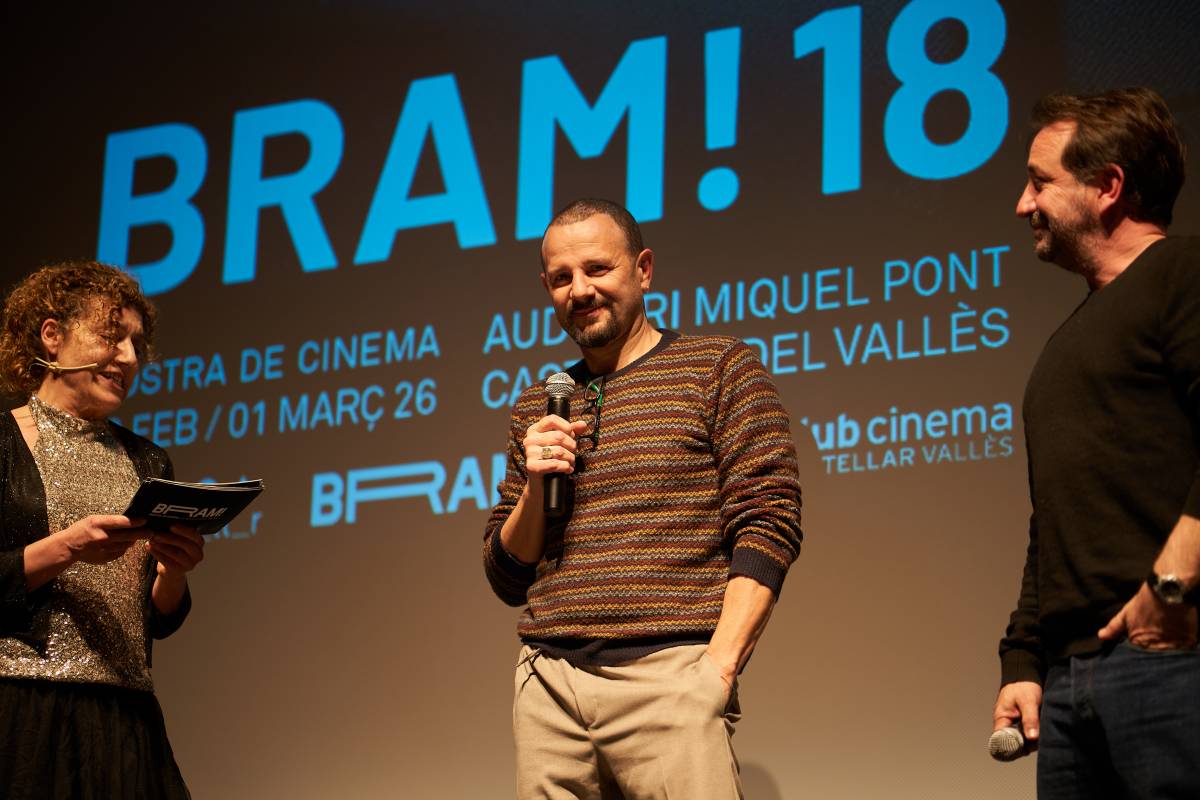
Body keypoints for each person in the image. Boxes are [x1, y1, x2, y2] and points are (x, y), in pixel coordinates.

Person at [483, 198, 804, 799]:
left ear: (643, 269)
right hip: (549, 687)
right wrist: (534, 482)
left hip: (671, 675)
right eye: (561, 278)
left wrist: (716, 672)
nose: (580, 290)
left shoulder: (718, 368)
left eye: (597, 269)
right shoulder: (538, 406)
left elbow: (769, 521)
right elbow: (505, 576)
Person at [994, 88, 1199, 798]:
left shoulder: (1184, 276)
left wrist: (1174, 584)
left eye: (1040, 181)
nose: (1024, 205)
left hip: (1174, 657)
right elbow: (1052, 523)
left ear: (1108, 186)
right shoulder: (1061, 349)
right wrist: (1023, 659)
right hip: (1068, 683)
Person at [0, 261, 205, 798]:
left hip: (126, 718)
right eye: (113, 338)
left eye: (137, 345)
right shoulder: (3, 440)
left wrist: (175, 572)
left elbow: (159, 618)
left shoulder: (148, 460)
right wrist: (66, 547)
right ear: (52, 335)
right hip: (21, 711)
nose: (130, 359)